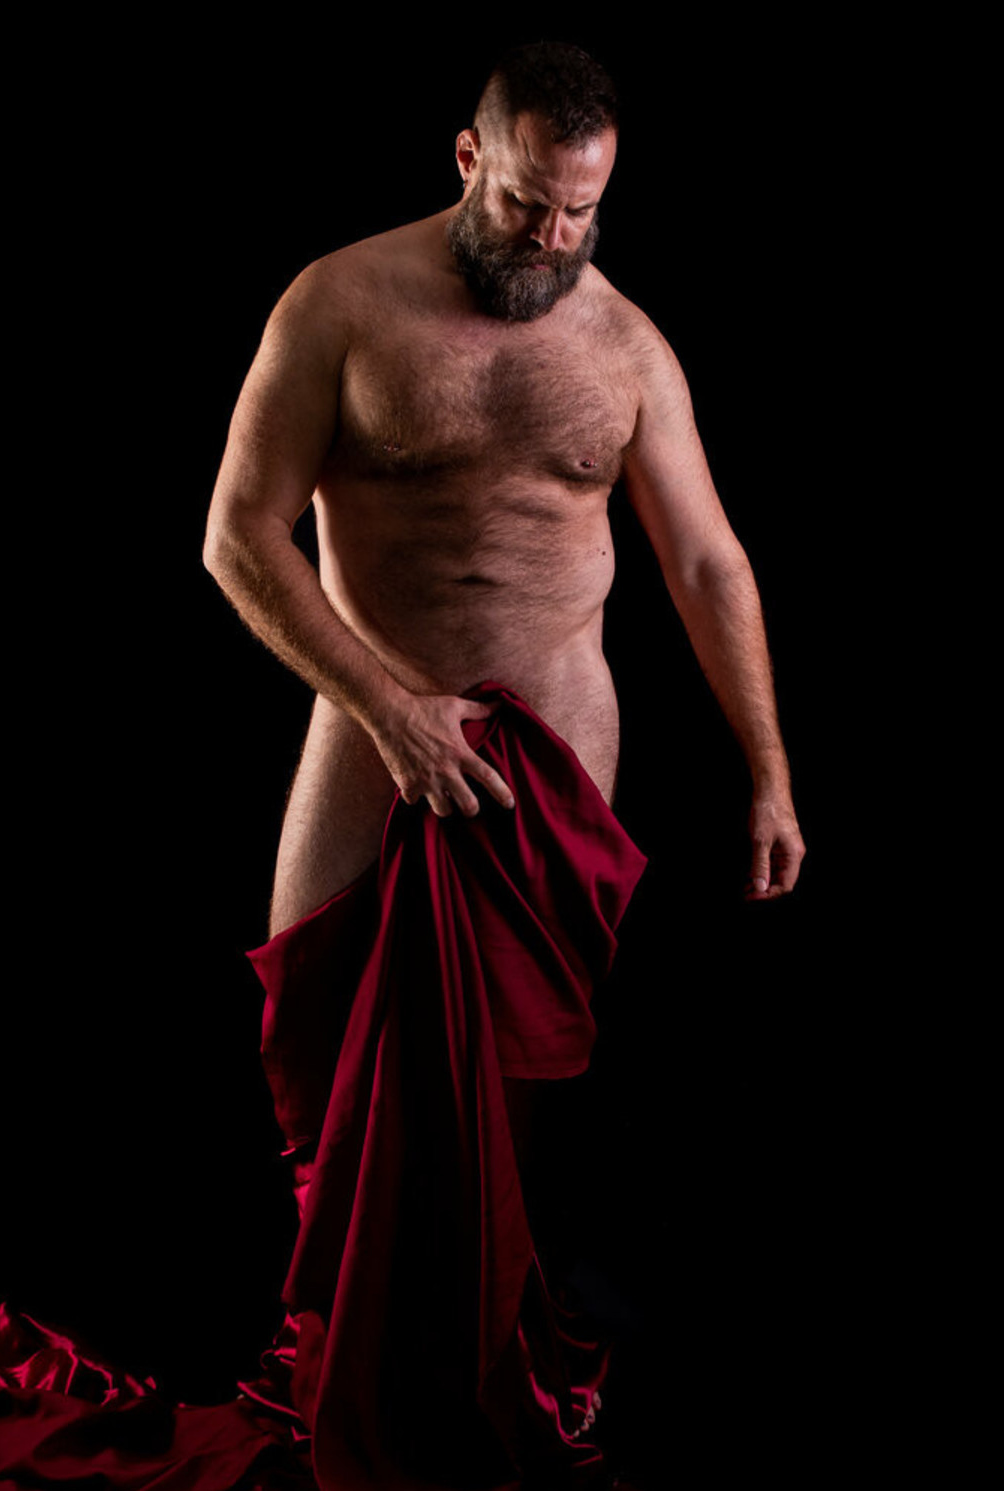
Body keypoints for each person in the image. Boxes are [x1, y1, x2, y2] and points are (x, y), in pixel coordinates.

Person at [203, 42, 804, 937]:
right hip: (372, 723)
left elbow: (708, 564)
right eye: (525, 201)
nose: (551, 238)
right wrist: (389, 713)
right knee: (320, 1003)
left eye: (580, 212)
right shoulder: (339, 304)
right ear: (468, 157)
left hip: (557, 744)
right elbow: (239, 533)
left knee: (534, 1024)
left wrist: (770, 776)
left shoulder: (628, 348)